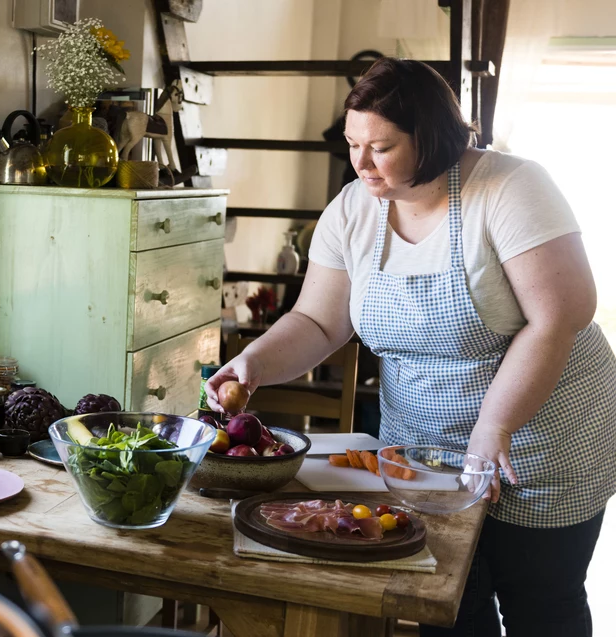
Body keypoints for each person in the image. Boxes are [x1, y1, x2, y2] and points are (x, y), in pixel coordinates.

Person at [205, 58, 615, 637]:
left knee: (540, 602)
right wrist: (254, 364)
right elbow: (319, 321)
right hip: (425, 445)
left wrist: (493, 428)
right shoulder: (352, 208)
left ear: (433, 137)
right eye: (352, 145)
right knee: (443, 603)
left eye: (382, 147)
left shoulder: (509, 188)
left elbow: (560, 318)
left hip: (540, 436)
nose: (361, 164)